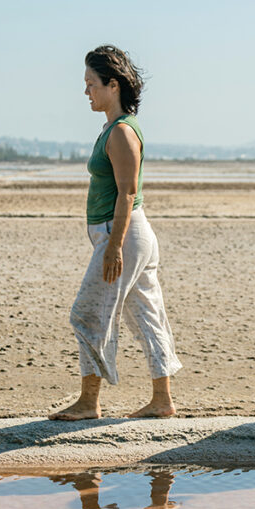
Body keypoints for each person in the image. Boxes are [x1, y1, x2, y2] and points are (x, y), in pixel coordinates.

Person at [49, 45, 182, 421]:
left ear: (113, 85)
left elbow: (127, 192)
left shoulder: (122, 132)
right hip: (125, 235)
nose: (86, 91)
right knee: (147, 314)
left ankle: (89, 402)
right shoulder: (112, 128)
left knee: (88, 313)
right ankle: (162, 400)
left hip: (123, 235)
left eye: (91, 83)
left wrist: (114, 247)